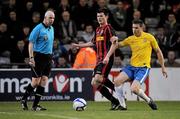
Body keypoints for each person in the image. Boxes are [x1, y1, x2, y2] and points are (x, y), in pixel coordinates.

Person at [103, 19, 168, 110]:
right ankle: (122, 105)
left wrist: (163, 67)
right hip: (131, 67)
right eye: (133, 28)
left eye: (136, 28)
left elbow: (158, 51)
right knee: (117, 81)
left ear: (142, 28)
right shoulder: (131, 39)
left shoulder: (149, 37)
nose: (134, 30)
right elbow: (117, 45)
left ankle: (148, 100)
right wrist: (113, 41)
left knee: (134, 89)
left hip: (143, 68)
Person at [72, 8, 120, 110]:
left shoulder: (108, 28)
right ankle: (115, 101)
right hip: (99, 60)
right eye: (98, 16)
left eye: (101, 16)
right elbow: (92, 43)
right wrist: (79, 46)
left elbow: (115, 43)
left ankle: (118, 88)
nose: (99, 18)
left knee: (98, 79)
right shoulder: (98, 29)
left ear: (106, 17)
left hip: (106, 59)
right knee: (94, 83)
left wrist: (107, 57)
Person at [20, 9, 55, 111]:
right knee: (35, 82)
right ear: (45, 18)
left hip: (48, 58)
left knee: (43, 81)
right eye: (50, 18)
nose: (52, 20)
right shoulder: (38, 28)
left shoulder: (51, 28)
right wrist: (31, 58)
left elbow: (50, 44)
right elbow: (31, 43)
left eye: (53, 18)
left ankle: (35, 105)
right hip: (38, 57)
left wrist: (51, 56)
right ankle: (23, 99)